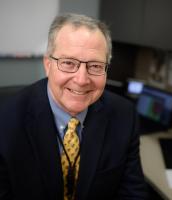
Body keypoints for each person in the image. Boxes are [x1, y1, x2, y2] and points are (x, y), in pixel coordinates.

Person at [0, 13, 148, 200]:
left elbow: (133, 194)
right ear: (48, 65)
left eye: (95, 66)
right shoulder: (5, 120)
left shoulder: (124, 115)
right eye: (69, 63)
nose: (81, 79)